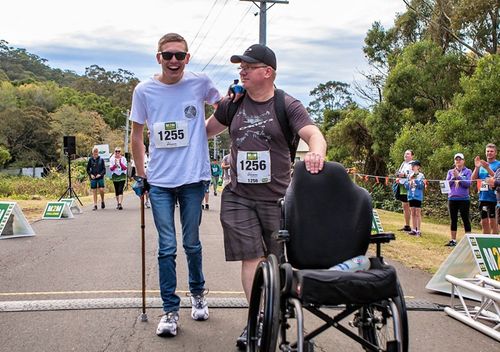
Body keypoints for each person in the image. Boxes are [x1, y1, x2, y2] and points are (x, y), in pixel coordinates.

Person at [205, 43, 327, 349]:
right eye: (240, 67)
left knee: (277, 260)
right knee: (253, 258)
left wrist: (315, 154)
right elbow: (205, 132)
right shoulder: (233, 104)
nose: (242, 71)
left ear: (267, 72)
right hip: (238, 195)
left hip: (278, 198)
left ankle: (278, 309)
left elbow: (313, 134)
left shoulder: (287, 104)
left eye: (248, 66)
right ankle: (257, 320)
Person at [129, 32, 222, 338]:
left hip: (194, 179)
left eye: (179, 56)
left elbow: (225, 110)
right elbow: (137, 136)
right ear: (158, 57)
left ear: (187, 58)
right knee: (166, 247)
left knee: (192, 243)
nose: (173, 61)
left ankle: (198, 294)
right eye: (167, 55)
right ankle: (170, 310)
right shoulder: (144, 91)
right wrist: (141, 174)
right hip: (159, 183)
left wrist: (204, 133)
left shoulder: (200, 83)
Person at [471, 143, 500, 234]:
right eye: (487, 151)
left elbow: (497, 178)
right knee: (484, 222)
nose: (489, 153)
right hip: (483, 196)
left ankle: (494, 241)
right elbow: (472, 179)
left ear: (495, 153)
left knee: (493, 222)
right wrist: (476, 167)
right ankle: (485, 241)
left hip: (494, 197)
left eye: (491, 151)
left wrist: (487, 168)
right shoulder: (481, 165)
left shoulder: (498, 164)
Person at [445, 153, 472, 246]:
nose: (458, 161)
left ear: (463, 161)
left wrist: (459, 177)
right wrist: (453, 177)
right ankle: (453, 240)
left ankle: (469, 241)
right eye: (456, 159)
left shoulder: (468, 171)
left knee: (465, 219)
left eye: (460, 159)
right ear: (454, 161)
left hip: (464, 199)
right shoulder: (450, 172)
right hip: (452, 198)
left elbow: (468, 184)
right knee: (453, 219)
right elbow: (447, 184)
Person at [403, 160, 425, 236]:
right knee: (412, 213)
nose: (412, 167)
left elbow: (422, 186)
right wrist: (409, 182)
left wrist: (415, 181)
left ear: (418, 167)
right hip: (410, 196)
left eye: (414, 165)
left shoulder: (421, 175)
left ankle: (418, 230)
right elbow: (406, 186)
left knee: (417, 213)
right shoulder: (409, 175)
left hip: (418, 196)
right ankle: (414, 229)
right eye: (411, 165)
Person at [395, 150, 414, 232]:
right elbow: (400, 173)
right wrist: (398, 177)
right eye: (405, 153)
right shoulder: (403, 163)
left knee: (411, 206)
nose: (406, 155)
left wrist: (405, 175)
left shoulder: (413, 164)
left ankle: (415, 228)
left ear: (412, 156)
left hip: (409, 186)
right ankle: (407, 226)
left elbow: (415, 175)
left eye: (408, 154)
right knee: (404, 206)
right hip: (402, 186)